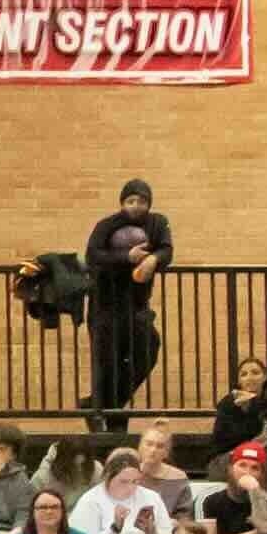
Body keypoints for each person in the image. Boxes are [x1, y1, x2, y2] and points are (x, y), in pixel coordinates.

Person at [79, 174, 171, 426]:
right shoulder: (107, 225)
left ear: (149, 203)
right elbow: (93, 255)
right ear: (122, 203)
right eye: (130, 200)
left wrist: (153, 259)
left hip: (137, 306)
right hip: (104, 306)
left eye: (141, 201)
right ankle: (106, 414)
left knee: (148, 348)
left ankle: (106, 406)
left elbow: (166, 249)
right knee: (106, 361)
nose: (136, 206)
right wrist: (126, 257)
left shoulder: (157, 223)